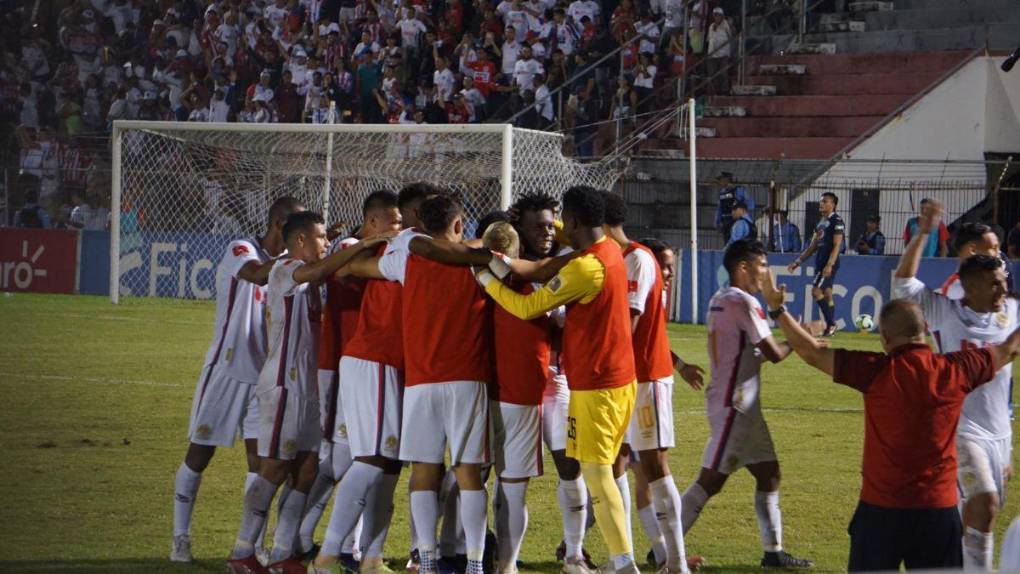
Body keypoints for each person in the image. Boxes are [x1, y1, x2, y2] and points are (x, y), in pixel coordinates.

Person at [761, 276, 1020, 571]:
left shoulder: (874, 371)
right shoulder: (957, 369)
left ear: (884, 338)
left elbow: (811, 352)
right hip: (938, 512)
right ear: (924, 330)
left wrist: (778, 311)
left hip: (880, 512)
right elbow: (1009, 349)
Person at [476, 186, 640, 574]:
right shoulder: (605, 250)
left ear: (574, 221)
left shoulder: (581, 265)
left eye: (558, 221)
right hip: (586, 381)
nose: (552, 231)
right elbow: (569, 232)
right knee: (520, 478)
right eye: (543, 225)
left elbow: (529, 306)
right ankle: (511, 561)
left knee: (593, 473)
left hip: (588, 383)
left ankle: (617, 562)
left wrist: (487, 280)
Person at [226, 212, 389, 574]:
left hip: (308, 388)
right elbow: (315, 271)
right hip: (282, 384)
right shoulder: (284, 268)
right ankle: (242, 551)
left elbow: (325, 271)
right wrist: (361, 243)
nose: (325, 243)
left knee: (308, 469)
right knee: (274, 468)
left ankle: (283, 554)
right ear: (299, 241)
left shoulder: (315, 277)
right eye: (319, 237)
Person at [170, 196, 304, 564]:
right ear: (280, 224)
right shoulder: (241, 248)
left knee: (261, 464)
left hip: (264, 377)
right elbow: (258, 274)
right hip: (226, 372)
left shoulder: (291, 262)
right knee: (200, 454)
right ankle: (180, 538)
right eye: (298, 229)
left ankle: (251, 545)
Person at [893, 203, 1017, 570]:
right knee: (984, 505)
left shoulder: (1010, 309)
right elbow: (902, 286)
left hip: (1000, 432)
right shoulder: (948, 309)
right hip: (961, 429)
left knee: (979, 514)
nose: (1003, 285)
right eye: (996, 281)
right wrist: (924, 232)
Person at [678, 239, 813, 569]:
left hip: (739, 403)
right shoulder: (744, 302)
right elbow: (773, 354)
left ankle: (773, 552)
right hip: (734, 405)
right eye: (762, 265)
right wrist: (803, 335)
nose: (766, 272)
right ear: (743, 267)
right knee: (710, 481)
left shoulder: (721, 298)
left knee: (769, 474)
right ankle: (665, 547)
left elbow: (746, 353)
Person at [603, 192, 705, 574]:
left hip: (643, 380)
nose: (670, 272)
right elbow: (651, 334)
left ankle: (675, 562)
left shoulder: (637, 261)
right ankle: (634, 557)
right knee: (618, 465)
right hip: (627, 379)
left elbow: (630, 332)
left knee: (654, 466)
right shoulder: (621, 259)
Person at [301, 191, 404, 569]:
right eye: (394, 222)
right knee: (346, 459)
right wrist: (373, 245)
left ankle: (365, 554)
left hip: (380, 366)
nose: (400, 229)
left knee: (380, 463)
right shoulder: (352, 247)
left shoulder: (395, 248)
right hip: (354, 363)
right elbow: (338, 267)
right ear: (374, 222)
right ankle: (311, 543)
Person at [787, 192, 845, 337]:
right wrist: (798, 261)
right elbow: (813, 246)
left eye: (825, 201)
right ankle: (831, 325)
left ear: (833, 205)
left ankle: (831, 323)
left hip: (828, 263)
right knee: (827, 293)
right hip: (820, 262)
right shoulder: (821, 223)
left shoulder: (836, 221)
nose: (822, 204)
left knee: (815, 291)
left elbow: (837, 245)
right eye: (821, 201)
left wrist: (830, 264)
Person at [939, 222, 1001, 299]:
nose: (998, 253)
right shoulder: (957, 290)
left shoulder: (988, 283)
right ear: (972, 250)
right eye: (993, 248)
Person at [713, 172, 753, 242]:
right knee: (728, 241)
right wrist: (717, 223)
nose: (719, 182)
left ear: (726, 180)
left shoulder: (738, 190)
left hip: (736, 220)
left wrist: (743, 215)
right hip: (726, 221)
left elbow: (751, 204)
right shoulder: (722, 192)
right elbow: (720, 209)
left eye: (721, 180)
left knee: (736, 242)